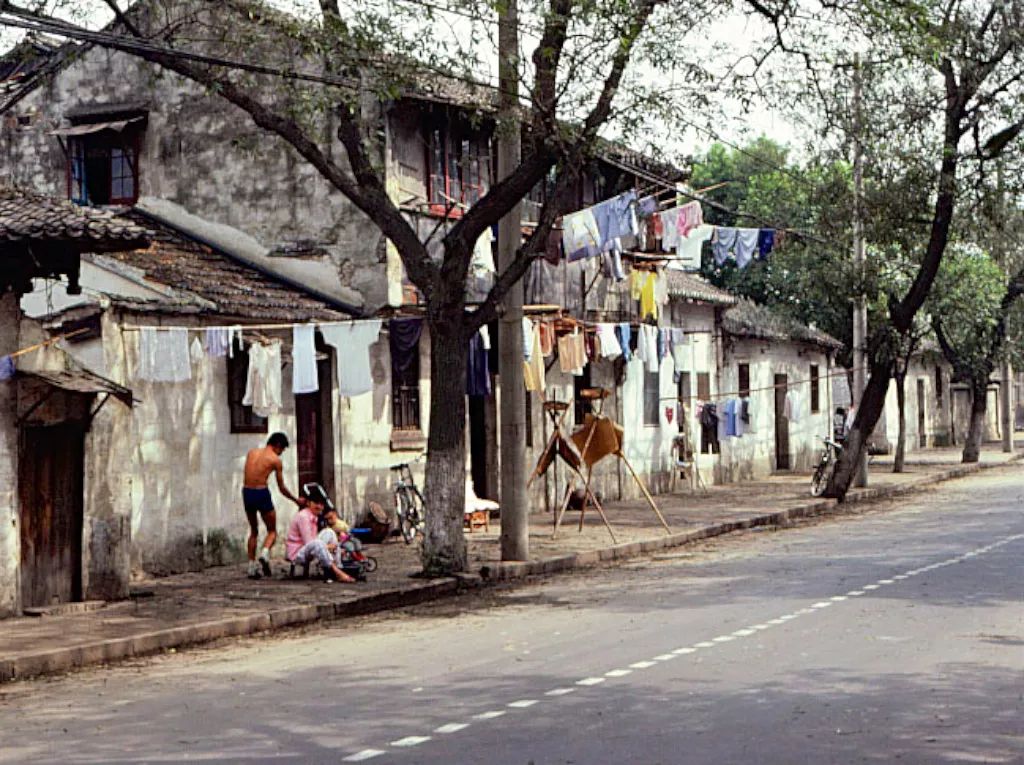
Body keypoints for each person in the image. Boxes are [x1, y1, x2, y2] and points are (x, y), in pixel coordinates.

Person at [242, 432, 304, 579]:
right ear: (278, 446)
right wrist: (296, 500)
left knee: (254, 531)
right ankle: (264, 553)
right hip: (261, 493)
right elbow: (281, 488)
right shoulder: (275, 460)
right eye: (282, 450)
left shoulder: (252, 453)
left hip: (247, 492)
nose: (281, 453)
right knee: (272, 531)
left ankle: (251, 566)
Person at [286, 492, 355, 583]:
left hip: (307, 548)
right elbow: (310, 542)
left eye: (321, 504)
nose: (319, 506)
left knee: (329, 532)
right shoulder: (303, 517)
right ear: (308, 503)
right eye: (316, 503)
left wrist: (331, 546)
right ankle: (337, 572)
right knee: (318, 543)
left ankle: (338, 566)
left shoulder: (314, 516)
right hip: (297, 553)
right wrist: (327, 547)